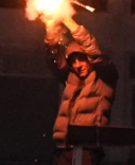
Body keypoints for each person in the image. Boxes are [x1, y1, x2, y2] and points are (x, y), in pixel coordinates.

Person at [45, 16, 119, 165]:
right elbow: (54, 59)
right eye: (73, 61)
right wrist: (50, 30)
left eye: (81, 58)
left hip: (87, 149)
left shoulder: (105, 76)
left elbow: (94, 51)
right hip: (63, 149)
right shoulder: (70, 77)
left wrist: (68, 21)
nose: (77, 65)